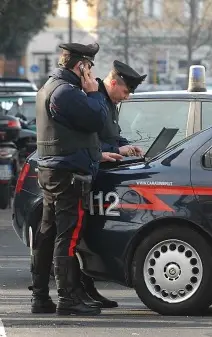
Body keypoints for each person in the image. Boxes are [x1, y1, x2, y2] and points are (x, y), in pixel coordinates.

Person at [30, 42, 123, 316]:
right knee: (66, 236)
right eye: (90, 66)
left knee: (47, 234)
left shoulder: (50, 87)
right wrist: (94, 93)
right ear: (81, 65)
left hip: (52, 170)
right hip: (68, 174)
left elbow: (72, 131)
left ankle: (40, 297)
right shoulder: (67, 92)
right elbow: (95, 119)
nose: (92, 73)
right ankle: (67, 298)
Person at [71, 60, 147, 309]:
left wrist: (127, 146)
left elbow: (111, 136)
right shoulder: (93, 100)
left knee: (89, 235)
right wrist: (116, 149)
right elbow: (85, 140)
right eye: (125, 92)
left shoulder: (109, 102)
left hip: (103, 175)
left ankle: (87, 287)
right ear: (114, 82)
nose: (126, 98)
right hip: (88, 174)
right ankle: (78, 289)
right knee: (78, 236)